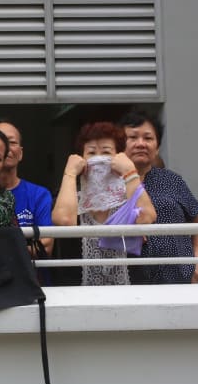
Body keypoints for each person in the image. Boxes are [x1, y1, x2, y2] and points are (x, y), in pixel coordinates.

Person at [52, 122, 156, 285]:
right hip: (78, 298)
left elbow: (146, 217)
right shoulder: (71, 197)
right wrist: (70, 173)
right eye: (91, 153)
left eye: (106, 152)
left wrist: (130, 172)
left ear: (118, 158)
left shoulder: (128, 194)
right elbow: (65, 220)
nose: (98, 158)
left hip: (130, 297)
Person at [119, 110, 198, 284]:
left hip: (178, 280)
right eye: (133, 137)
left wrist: (197, 264)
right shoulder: (111, 184)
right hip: (129, 284)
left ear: (157, 146)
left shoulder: (172, 180)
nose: (141, 143)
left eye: (148, 138)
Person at [0, 119, 54, 258]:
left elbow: (45, 246)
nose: (6, 147)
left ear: (20, 153)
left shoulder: (39, 195)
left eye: (12, 142)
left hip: (32, 277)